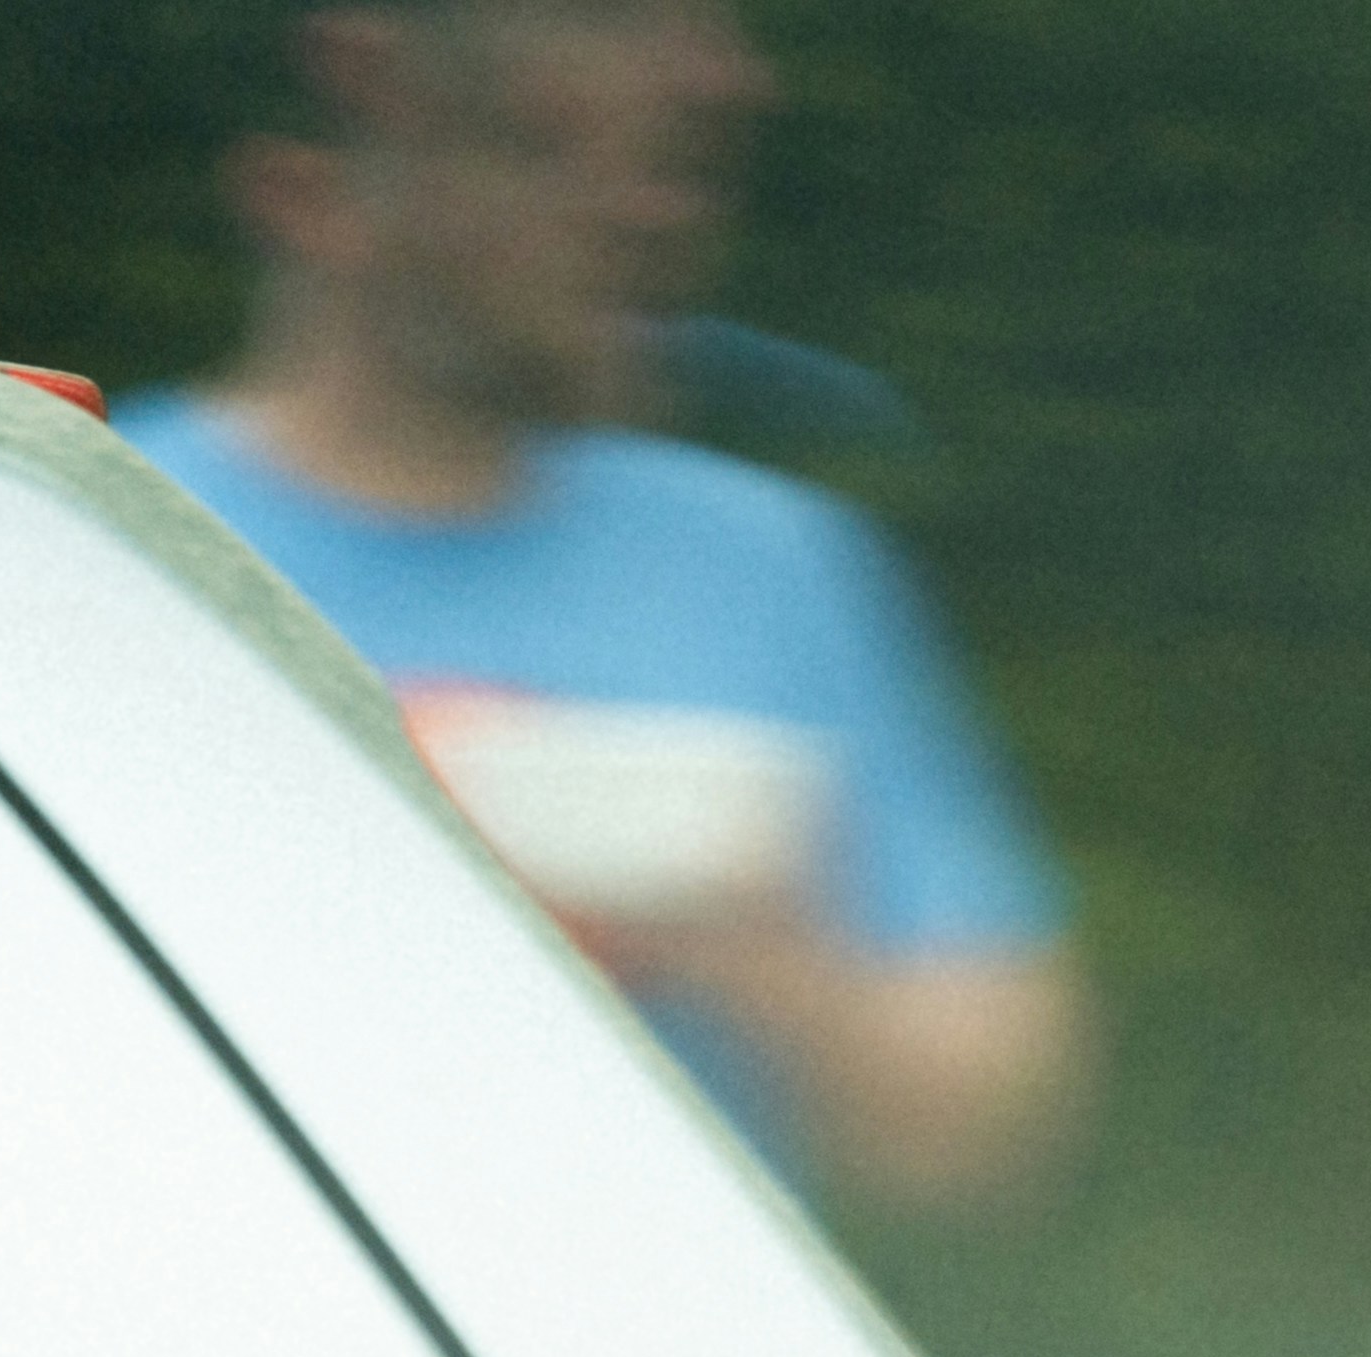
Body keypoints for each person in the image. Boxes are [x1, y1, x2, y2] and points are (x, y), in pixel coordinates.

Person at [123, 2, 1091, 1218]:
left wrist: (765, 965)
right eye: (539, 158)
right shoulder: (91, 534)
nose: (640, 229)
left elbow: (993, 1113)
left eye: (673, 195)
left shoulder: (773, 562)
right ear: (318, 173)